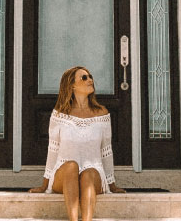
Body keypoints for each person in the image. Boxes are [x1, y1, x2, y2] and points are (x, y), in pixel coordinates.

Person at [30, 65, 120, 221]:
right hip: (64, 173)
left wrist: (112, 185)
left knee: (88, 173)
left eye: (90, 76)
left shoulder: (102, 113)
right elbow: (53, 150)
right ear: (71, 85)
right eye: (84, 78)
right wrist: (44, 185)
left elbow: (106, 151)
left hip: (94, 172)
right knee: (71, 166)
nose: (90, 80)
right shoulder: (59, 115)